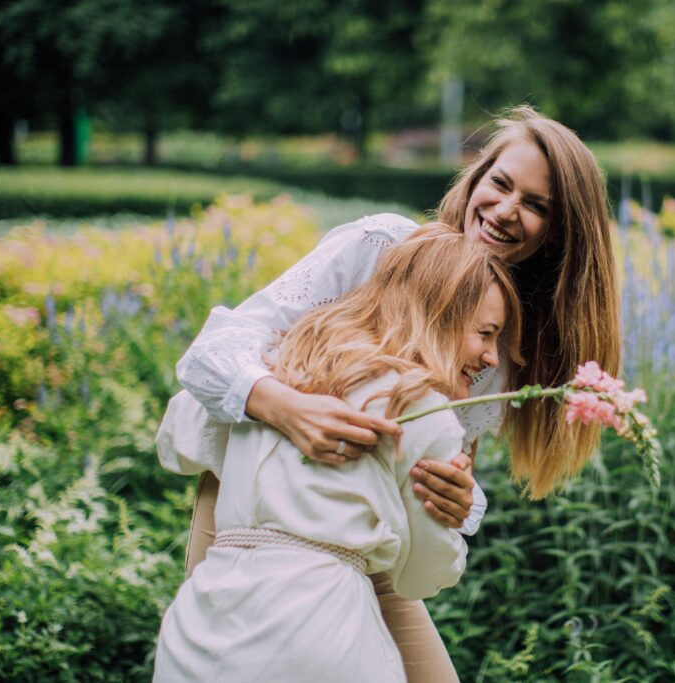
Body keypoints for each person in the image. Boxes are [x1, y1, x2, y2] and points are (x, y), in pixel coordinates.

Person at [172, 105, 621, 681]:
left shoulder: (502, 346)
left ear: (561, 234)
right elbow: (212, 351)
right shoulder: (381, 246)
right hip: (256, 516)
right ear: (476, 179)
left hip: (363, 536)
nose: (506, 211)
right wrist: (286, 407)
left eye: (536, 207)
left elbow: (442, 465)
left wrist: (458, 503)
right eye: (501, 184)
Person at [154, 225, 523, 681]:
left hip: (200, 627)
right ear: (440, 315)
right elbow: (423, 576)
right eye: (485, 334)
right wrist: (449, 530)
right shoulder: (422, 412)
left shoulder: (277, 364)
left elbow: (177, 441)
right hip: (322, 630)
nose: (491, 357)